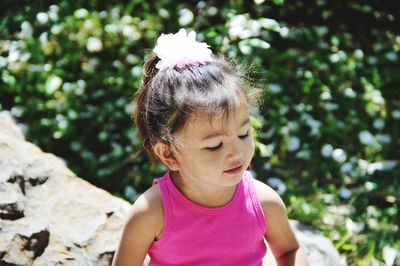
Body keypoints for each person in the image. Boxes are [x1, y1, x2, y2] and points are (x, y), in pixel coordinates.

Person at [112, 28, 309, 266]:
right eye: (215, 146)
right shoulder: (152, 213)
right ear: (169, 153)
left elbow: (290, 250)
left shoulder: (263, 202)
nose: (237, 153)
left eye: (244, 134)